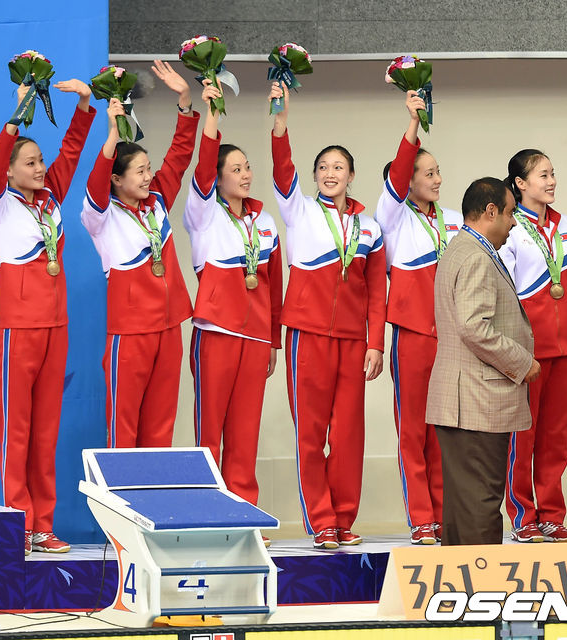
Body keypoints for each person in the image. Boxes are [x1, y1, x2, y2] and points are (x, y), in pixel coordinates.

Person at [0, 79, 96, 555]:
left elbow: (71, 153)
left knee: (46, 433)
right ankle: (18, 523)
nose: (41, 168)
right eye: (29, 162)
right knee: (18, 431)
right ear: (8, 171)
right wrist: (17, 115)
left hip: (55, 328)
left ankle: (42, 525)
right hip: (18, 331)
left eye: (40, 161)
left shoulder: (50, 199)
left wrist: (84, 105)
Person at [270, 81, 387, 549]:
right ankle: (321, 521)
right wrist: (280, 122)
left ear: (351, 175)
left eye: (338, 167)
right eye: (322, 167)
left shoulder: (369, 227)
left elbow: (377, 291)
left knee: (349, 435)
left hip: (354, 341)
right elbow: (283, 170)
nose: (329, 173)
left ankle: (343, 517)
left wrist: (375, 343)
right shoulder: (298, 211)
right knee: (311, 433)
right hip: (307, 334)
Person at [183, 80, 282, 537]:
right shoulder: (203, 213)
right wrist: (213, 115)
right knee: (210, 432)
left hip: (256, 337)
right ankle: (205, 514)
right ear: (218, 178)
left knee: (245, 433)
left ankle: (243, 516)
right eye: (235, 169)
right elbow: (202, 166)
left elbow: (275, 285)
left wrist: (274, 341)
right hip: (217, 332)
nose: (245, 174)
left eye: (247, 167)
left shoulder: (264, 220)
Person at [81, 61, 198, 448]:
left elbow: (179, 157)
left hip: (169, 327)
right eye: (140, 172)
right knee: (124, 426)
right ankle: (120, 489)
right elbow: (95, 182)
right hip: (130, 334)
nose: (149, 177)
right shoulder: (101, 217)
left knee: (161, 426)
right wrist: (113, 134)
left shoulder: (157, 201)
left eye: (149, 169)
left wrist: (185, 102)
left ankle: (156, 490)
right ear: (117, 179)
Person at [426, 177, 539, 546]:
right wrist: (523, 362)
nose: (514, 222)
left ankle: (461, 579)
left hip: (465, 401)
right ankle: (480, 579)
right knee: (480, 505)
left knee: (464, 507)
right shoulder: (476, 256)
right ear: (491, 211)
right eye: (510, 213)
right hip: (476, 402)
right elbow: (474, 327)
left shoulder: (462, 248)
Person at [375, 90, 463, 544]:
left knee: (445, 432)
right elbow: (398, 173)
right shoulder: (392, 218)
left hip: (453, 339)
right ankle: (422, 518)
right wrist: (413, 123)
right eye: (428, 173)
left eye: (438, 171)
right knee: (413, 431)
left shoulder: (454, 220)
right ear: (407, 180)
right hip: (412, 336)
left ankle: (446, 516)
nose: (438, 179)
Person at [500, 150, 567, 543]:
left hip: (564, 347)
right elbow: (504, 292)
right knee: (523, 435)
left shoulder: (566, 226)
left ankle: (552, 515)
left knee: (555, 438)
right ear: (520, 184)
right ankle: (523, 515)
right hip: (527, 350)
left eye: (552, 173)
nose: (552, 181)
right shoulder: (510, 228)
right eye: (543, 175)